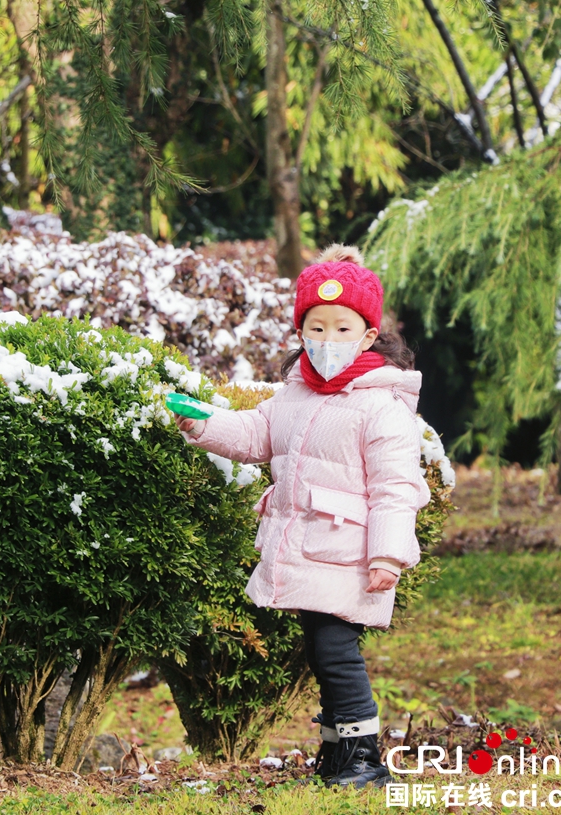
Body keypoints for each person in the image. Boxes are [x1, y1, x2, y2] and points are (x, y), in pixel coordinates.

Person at [173, 244, 430, 788]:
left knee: (336, 653)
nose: (327, 341)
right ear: (300, 332)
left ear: (367, 335)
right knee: (321, 650)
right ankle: (338, 753)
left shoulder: (380, 407)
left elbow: (395, 488)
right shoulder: (294, 396)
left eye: (342, 329)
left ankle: (363, 758)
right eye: (317, 327)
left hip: (350, 553)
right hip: (307, 548)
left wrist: (388, 553)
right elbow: (255, 435)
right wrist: (202, 423)